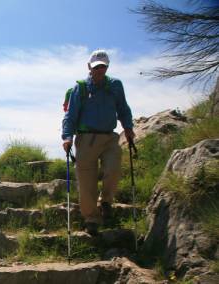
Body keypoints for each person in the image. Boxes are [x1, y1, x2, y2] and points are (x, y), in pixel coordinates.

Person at [61, 50, 136, 236]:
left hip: (110, 137)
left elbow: (123, 108)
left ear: (107, 67)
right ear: (89, 67)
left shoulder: (115, 85)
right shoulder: (81, 88)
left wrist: (128, 128)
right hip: (86, 140)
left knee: (114, 167)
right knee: (87, 183)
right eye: (96, 67)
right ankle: (91, 219)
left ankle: (106, 201)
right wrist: (67, 137)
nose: (100, 70)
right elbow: (70, 115)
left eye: (103, 66)